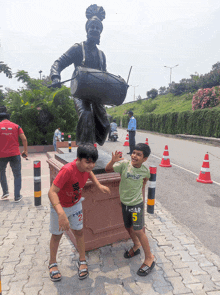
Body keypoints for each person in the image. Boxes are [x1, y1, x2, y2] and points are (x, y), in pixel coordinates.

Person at [48, 143, 110, 281]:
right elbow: (51, 192)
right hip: (59, 206)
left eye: (93, 162)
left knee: (79, 232)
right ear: (78, 159)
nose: (91, 165)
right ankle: (52, 263)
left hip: (75, 204)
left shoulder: (86, 168)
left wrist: (98, 185)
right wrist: (60, 213)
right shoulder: (67, 170)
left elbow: (89, 172)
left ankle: (82, 260)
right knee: (57, 235)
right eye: (87, 162)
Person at [50, 4, 110, 146]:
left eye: (98, 28)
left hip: (96, 94)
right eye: (92, 27)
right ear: (87, 29)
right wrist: (55, 76)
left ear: (100, 32)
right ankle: (84, 149)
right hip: (80, 92)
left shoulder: (102, 55)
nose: (95, 30)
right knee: (86, 115)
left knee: (105, 123)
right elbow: (58, 62)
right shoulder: (78, 48)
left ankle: (93, 142)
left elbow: (105, 76)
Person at [105, 143, 155, 276]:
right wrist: (113, 160)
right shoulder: (124, 165)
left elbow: (146, 179)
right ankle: (136, 245)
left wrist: (141, 187)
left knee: (138, 229)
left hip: (136, 205)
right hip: (125, 203)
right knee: (128, 227)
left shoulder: (145, 170)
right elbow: (108, 169)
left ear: (145, 159)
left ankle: (149, 257)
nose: (134, 156)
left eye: (139, 154)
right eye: (133, 152)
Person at [0, 106, 28, 202]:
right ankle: (17, 196)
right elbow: (24, 139)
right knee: (17, 174)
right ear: (8, 118)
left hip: (1, 155)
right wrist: (25, 151)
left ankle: (5, 192)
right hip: (15, 154)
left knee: (1, 172)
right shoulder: (16, 126)